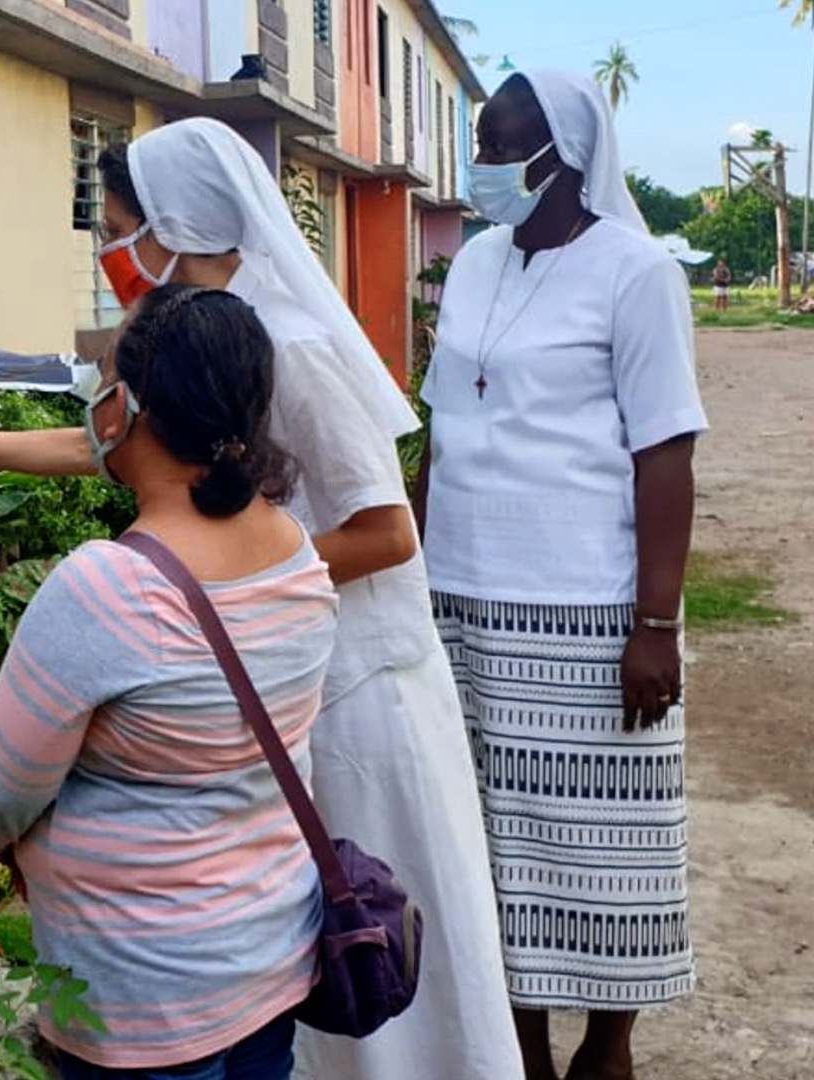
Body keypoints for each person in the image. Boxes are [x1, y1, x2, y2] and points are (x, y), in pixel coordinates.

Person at [0, 119, 526, 1080]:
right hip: (252, 677)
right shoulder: (192, 350)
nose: (108, 251)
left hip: (341, 691)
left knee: (363, 962)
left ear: (171, 224)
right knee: (268, 953)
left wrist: (229, 588)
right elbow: (107, 440)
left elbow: (387, 531)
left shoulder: (287, 347)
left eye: (120, 225)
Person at [0, 285, 337, 1079]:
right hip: (270, 960)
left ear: (125, 408)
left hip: (142, 995)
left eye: (102, 374)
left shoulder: (106, 590)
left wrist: (14, 852)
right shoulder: (296, 555)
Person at [421, 69, 705, 1080]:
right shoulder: (475, 263)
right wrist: (418, 573)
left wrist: (655, 624)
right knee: (497, 848)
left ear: (562, 155)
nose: (483, 164)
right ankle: (524, 1054)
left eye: (499, 145)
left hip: (589, 613)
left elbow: (664, 451)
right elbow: (443, 425)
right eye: (481, 143)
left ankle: (609, 1049)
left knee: (608, 851)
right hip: (463, 602)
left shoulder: (637, 272)